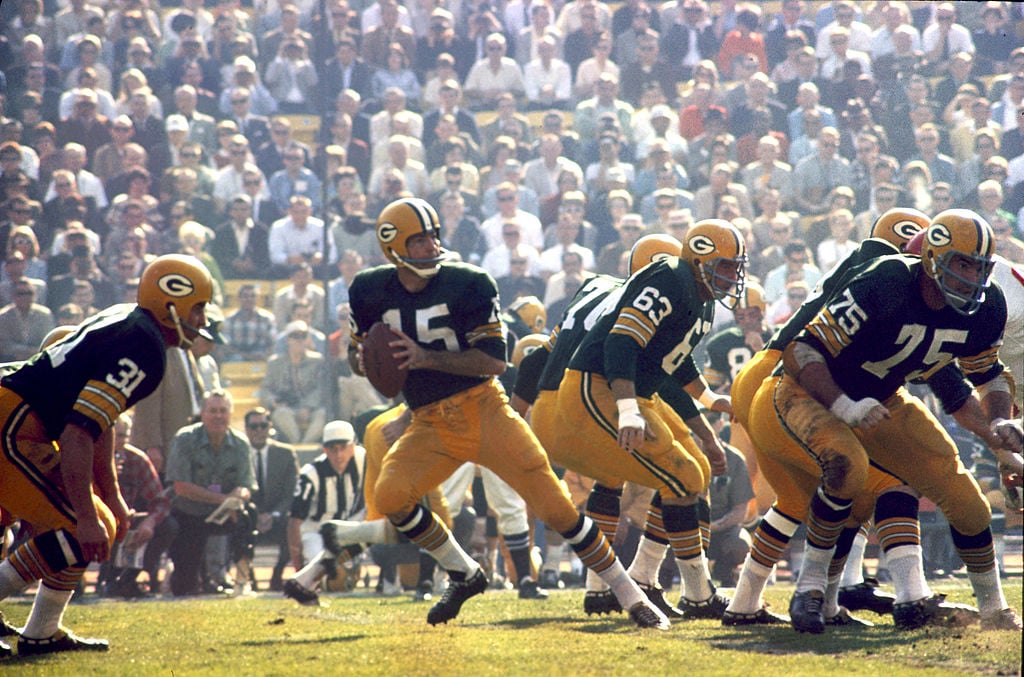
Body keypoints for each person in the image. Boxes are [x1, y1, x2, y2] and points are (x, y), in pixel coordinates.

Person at [342, 197, 669, 628]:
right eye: (419, 239)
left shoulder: (469, 283)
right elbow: (358, 353)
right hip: (429, 421)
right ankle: (464, 573)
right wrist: (362, 360)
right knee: (390, 498)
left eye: (434, 235)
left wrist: (424, 357)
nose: (431, 245)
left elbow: (494, 362)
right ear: (393, 247)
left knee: (558, 510)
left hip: (485, 410)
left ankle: (631, 597)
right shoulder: (368, 289)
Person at [777, 210, 1023, 632]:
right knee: (847, 468)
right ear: (930, 258)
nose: (973, 277)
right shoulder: (887, 280)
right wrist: (843, 406)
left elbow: (987, 375)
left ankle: (994, 609)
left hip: (883, 398)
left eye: (981, 267)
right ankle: (810, 588)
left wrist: (1001, 423)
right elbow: (800, 351)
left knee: (965, 498)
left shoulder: (986, 308)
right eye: (962, 263)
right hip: (814, 390)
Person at [0, 254, 212, 655]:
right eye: (198, 306)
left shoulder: (132, 320)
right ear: (172, 302)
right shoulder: (144, 345)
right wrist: (83, 517)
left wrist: (110, 498)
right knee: (77, 529)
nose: (201, 319)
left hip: (22, 422)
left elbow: (98, 422)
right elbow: (79, 432)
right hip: (12, 423)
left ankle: (43, 630)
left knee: (99, 522)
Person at [548, 220, 742, 617]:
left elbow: (672, 359)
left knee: (690, 474)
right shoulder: (671, 277)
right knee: (682, 476)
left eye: (735, 267)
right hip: (600, 385)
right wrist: (627, 410)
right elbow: (623, 341)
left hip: (632, 389)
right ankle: (691, 593)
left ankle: (638, 582)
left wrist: (706, 397)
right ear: (699, 258)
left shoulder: (698, 298)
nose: (731, 276)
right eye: (724, 266)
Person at [164, 389, 258, 597]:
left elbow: (247, 486)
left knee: (248, 513)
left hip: (224, 513)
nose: (218, 416)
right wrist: (223, 499)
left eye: (223, 411)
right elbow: (180, 487)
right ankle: (182, 575)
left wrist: (237, 499)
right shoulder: (185, 439)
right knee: (185, 587)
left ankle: (242, 578)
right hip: (188, 514)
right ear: (202, 413)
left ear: (230, 413)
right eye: (213, 410)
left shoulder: (240, 443)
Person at [283, 419, 367, 605]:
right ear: (324, 450)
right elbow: (294, 522)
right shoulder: (311, 474)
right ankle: (307, 585)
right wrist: (299, 569)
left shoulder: (364, 461)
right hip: (316, 531)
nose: (338, 455)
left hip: (349, 527)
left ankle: (386, 578)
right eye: (332, 449)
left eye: (343, 448)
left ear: (353, 447)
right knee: (327, 571)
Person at [105, 413, 176, 599]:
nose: (116, 442)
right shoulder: (89, 458)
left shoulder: (137, 459)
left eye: (122, 436)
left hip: (131, 520)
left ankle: (132, 578)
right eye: (113, 435)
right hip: (100, 520)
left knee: (168, 525)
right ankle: (89, 581)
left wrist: (150, 522)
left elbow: (160, 501)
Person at [244, 407, 299, 591]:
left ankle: (277, 575)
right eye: (253, 426)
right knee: (237, 524)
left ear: (270, 427)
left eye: (263, 425)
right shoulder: (239, 452)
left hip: (278, 516)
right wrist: (256, 515)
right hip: (248, 515)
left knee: (293, 524)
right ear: (246, 429)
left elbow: (291, 492)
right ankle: (247, 577)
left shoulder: (286, 454)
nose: (259, 431)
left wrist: (273, 515)